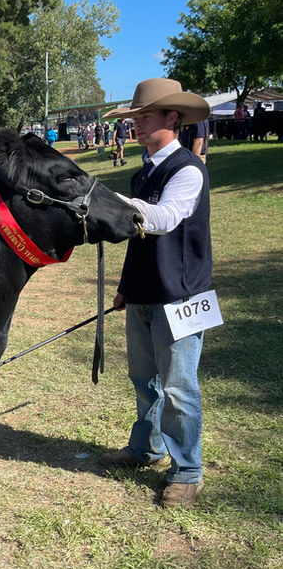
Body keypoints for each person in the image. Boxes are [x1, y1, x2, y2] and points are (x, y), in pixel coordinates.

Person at [100, 78, 212, 508]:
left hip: (181, 297)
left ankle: (188, 471)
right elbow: (139, 238)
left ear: (172, 118)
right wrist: (127, 288)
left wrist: (108, 199)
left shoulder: (187, 169)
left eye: (144, 117)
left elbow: (165, 218)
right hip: (145, 293)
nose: (137, 125)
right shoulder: (142, 172)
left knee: (180, 386)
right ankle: (146, 447)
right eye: (135, 118)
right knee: (144, 380)